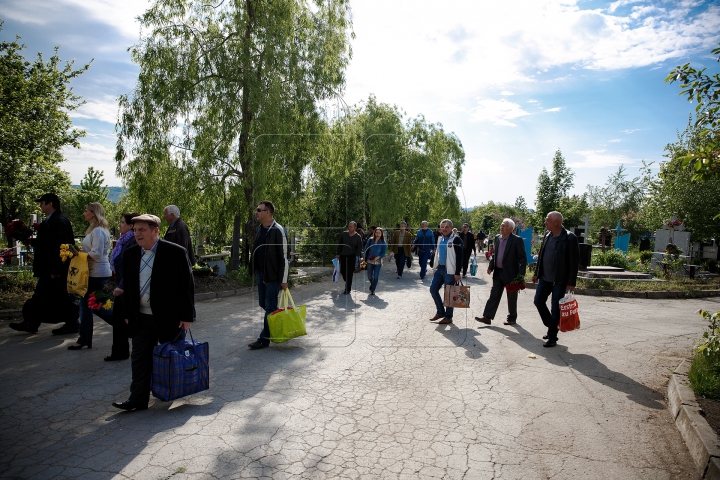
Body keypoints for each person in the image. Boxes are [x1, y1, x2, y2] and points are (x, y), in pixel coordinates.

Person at [112, 214, 194, 411]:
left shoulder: (174, 252)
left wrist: (186, 316)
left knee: (170, 357)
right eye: (135, 230)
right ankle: (138, 399)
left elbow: (187, 285)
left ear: (155, 231)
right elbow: (129, 287)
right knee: (139, 358)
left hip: (169, 317)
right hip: (140, 317)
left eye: (142, 230)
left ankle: (171, 390)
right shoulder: (131, 254)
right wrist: (127, 312)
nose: (137, 234)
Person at [10, 194, 77, 334]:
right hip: (48, 267)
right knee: (43, 297)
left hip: (54, 269)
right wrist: (30, 240)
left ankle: (72, 323)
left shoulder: (59, 221)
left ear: (50, 204)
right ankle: (32, 322)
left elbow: (62, 246)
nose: (40, 206)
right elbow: (47, 242)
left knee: (57, 297)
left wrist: (57, 269)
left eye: (42, 203)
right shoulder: (52, 220)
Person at [532, 211, 580, 348]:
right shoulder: (547, 235)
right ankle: (552, 326)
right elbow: (541, 255)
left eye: (547, 220)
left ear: (556, 222)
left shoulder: (569, 238)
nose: (545, 222)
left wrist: (571, 282)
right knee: (538, 301)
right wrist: (537, 272)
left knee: (556, 309)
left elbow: (574, 262)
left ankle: (552, 336)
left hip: (559, 280)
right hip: (545, 278)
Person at [69, 203, 112, 350]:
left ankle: (85, 338)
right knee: (91, 305)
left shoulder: (98, 231)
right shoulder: (95, 230)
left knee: (88, 305)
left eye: (85, 211)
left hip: (97, 272)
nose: (83, 213)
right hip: (94, 271)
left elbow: (97, 254)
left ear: (93, 213)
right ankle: (119, 323)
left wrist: (77, 254)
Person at [248, 201, 290, 349]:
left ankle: (264, 339)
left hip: (273, 276)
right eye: (256, 209)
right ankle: (276, 327)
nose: (256, 212)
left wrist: (284, 280)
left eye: (259, 210)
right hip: (261, 273)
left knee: (270, 306)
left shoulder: (278, 231)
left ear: (268, 212)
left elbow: (285, 257)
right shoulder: (260, 229)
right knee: (264, 304)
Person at [475, 218, 527, 327]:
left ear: (511, 229)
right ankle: (487, 317)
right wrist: (491, 266)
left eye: (504, 226)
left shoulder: (517, 240)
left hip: (511, 274)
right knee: (494, 295)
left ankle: (512, 318)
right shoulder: (498, 238)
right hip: (498, 273)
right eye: (501, 225)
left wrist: (521, 274)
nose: (501, 227)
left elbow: (522, 258)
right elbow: (495, 255)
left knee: (511, 297)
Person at [104, 212, 140, 361]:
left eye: (122, 222)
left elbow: (132, 267)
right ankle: (120, 351)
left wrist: (123, 285)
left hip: (126, 287)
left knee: (124, 319)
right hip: (121, 284)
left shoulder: (133, 241)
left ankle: (126, 351)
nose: (120, 225)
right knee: (119, 320)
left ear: (131, 225)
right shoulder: (122, 241)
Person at [428, 219, 463, 325]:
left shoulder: (456, 239)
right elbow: (437, 254)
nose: (444, 229)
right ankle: (440, 312)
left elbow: (460, 257)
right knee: (433, 289)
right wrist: (434, 268)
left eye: (446, 227)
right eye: (442, 227)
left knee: (449, 294)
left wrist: (457, 272)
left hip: (450, 271)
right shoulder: (440, 238)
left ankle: (448, 317)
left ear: (451, 228)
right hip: (440, 269)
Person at [335, 221, 363, 294]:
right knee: (343, 271)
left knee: (349, 273)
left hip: (351, 257)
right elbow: (340, 244)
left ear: (355, 227)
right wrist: (338, 254)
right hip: (343, 255)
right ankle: (347, 280)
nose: (349, 227)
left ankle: (347, 289)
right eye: (349, 226)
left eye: (351, 226)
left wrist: (355, 255)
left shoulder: (358, 237)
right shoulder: (344, 234)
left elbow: (359, 248)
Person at [364, 227, 386, 295]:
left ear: (381, 234)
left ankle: (373, 290)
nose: (378, 234)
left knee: (376, 276)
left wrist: (378, 257)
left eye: (379, 232)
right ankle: (372, 284)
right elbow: (366, 249)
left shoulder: (383, 242)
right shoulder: (370, 240)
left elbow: (383, 253)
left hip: (378, 261)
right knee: (369, 276)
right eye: (376, 232)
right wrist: (364, 257)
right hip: (369, 260)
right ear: (374, 233)